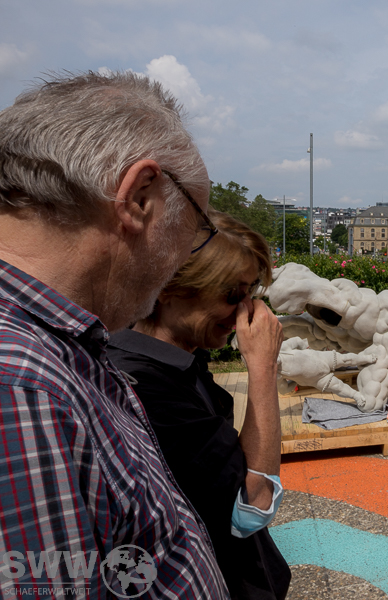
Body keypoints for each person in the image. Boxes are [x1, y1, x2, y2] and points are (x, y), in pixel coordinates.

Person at [0, 72, 228, 596]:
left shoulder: (57, 346)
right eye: (196, 228)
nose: (183, 259)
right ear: (139, 198)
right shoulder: (22, 390)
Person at [107, 210, 291, 600]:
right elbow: (251, 505)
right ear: (168, 287)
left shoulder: (169, 356)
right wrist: (263, 368)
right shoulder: (151, 390)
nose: (244, 311)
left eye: (251, 294)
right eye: (232, 294)